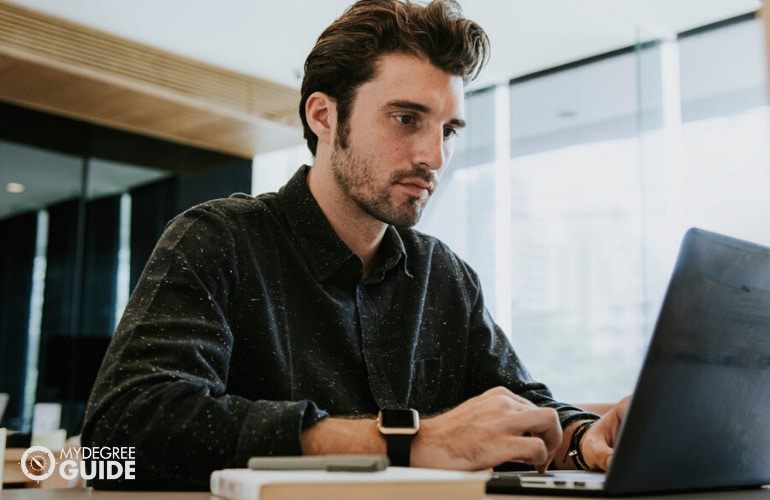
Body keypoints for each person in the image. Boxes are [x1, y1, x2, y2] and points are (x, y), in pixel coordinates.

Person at [82, 0, 628, 491]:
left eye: (449, 130)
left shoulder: (445, 276)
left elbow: (520, 405)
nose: (434, 157)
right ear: (324, 116)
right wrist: (406, 441)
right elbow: (115, 442)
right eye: (406, 118)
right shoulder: (218, 240)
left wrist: (584, 437)